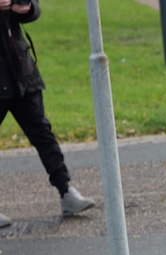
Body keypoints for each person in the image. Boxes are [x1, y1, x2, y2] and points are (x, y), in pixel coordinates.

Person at [0, 0, 95, 230]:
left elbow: (33, 9)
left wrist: (27, 7)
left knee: (42, 132)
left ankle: (66, 192)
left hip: (21, 71)